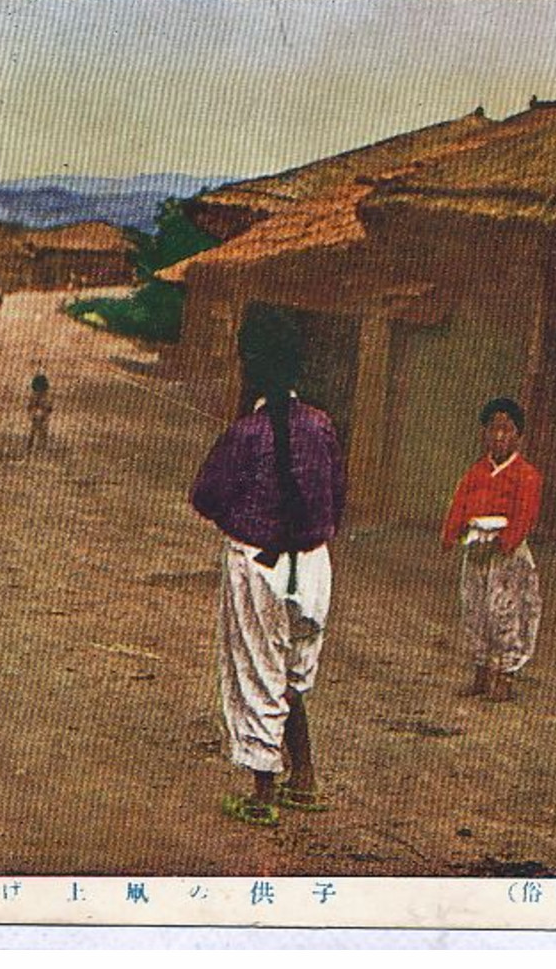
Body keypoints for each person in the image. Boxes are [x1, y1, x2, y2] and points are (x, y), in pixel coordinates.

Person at [190, 307, 346, 827]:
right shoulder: (321, 425)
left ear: (252, 367)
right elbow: (337, 498)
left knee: (257, 673)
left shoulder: (247, 432)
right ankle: (304, 779)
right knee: (294, 674)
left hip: (259, 563)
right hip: (314, 564)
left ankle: (263, 795)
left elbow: (206, 497)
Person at [441, 397, 544, 703]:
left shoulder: (527, 475)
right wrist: (452, 536)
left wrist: (505, 543)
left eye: (507, 430)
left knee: (506, 611)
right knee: (475, 608)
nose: (499, 436)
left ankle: (505, 676)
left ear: (518, 436)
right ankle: (481, 672)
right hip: (476, 548)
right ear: (484, 433)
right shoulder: (475, 473)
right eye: (493, 429)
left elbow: (525, 514)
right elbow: (459, 505)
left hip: (506, 554)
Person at [25, 372, 53, 452]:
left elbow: (30, 406)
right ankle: (38, 446)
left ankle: (31, 446)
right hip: (40, 413)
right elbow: (49, 407)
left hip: (37, 413)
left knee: (35, 430)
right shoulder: (44, 395)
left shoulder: (35, 395)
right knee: (41, 431)